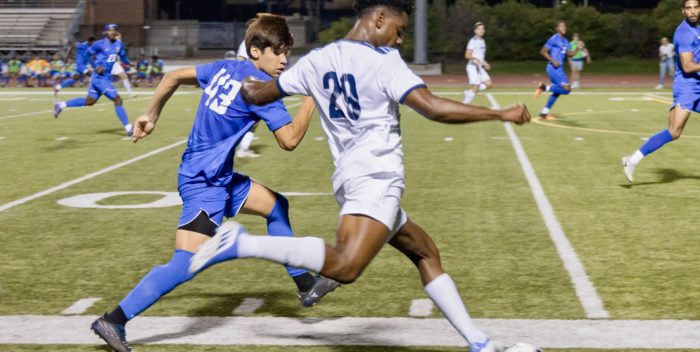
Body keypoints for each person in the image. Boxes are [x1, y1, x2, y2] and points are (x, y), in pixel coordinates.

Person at [189, 1, 530, 352]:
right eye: (399, 30)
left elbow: (258, 93)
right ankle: (242, 243)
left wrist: (241, 83)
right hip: (377, 177)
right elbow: (432, 107)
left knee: (426, 253)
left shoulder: (317, 60)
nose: (399, 40)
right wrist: (499, 113)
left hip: (350, 178)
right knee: (347, 267)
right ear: (379, 17)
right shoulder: (383, 62)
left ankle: (480, 343)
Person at [89, 14, 339, 352]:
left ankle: (305, 282)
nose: (284, 60)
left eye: (286, 52)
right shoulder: (259, 90)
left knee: (276, 206)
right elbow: (290, 140)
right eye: (277, 52)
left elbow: (174, 75)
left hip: (217, 177)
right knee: (185, 262)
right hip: (204, 184)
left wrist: (152, 114)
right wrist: (312, 97)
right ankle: (114, 319)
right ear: (255, 51)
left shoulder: (226, 68)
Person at [622, 0, 700, 182]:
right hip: (687, 87)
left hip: (697, 84)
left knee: (673, 131)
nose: (693, 11)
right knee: (673, 132)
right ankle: (631, 161)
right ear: (683, 11)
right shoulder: (684, 33)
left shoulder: (697, 29)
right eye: (688, 8)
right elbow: (688, 66)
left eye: (696, 7)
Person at [53, 24, 133, 136]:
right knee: (118, 100)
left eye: (114, 30)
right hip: (99, 78)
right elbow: (87, 55)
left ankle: (61, 105)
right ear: (105, 32)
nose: (112, 32)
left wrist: (130, 63)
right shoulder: (99, 44)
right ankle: (129, 128)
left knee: (89, 101)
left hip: (105, 78)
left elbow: (123, 58)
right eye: (109, 30)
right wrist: (95, 66)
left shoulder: (119, 44)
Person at [534, 20, 582, 120]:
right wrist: (553, 60)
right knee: (567, 89)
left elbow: (570, 54)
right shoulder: (553, 39)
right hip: (553, 68)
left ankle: (544, 113)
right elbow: (543, 51)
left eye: (564, 26)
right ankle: (543, 87)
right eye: (561, 26)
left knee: (558, 92)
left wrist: (578, 48)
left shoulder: (565, 41)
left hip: (558, 69)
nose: (564, 28)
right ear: (557, 29)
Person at [463, 21, 492, 104]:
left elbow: (480, 55)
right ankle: (465, 104)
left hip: (479, 67)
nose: (481, 30)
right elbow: (467, 55)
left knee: (489, 84)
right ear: (475, 31)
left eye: (483, 29)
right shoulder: (473, 41)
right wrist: (476, 59)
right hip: (472, 67)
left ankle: (469, 92)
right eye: (479, 29)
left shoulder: (482, 41)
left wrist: (485, 63)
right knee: (475, 87)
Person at [111, 31, 135, 98]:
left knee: (124, 76)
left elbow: (122, 56)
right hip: (106, 63)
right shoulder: (108, 43)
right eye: (118, 36)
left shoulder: (119, 44)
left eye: (119, 37)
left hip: (115, 63)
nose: (119, 38)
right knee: (103, 79)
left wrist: (128, 63)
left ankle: (130, 93)